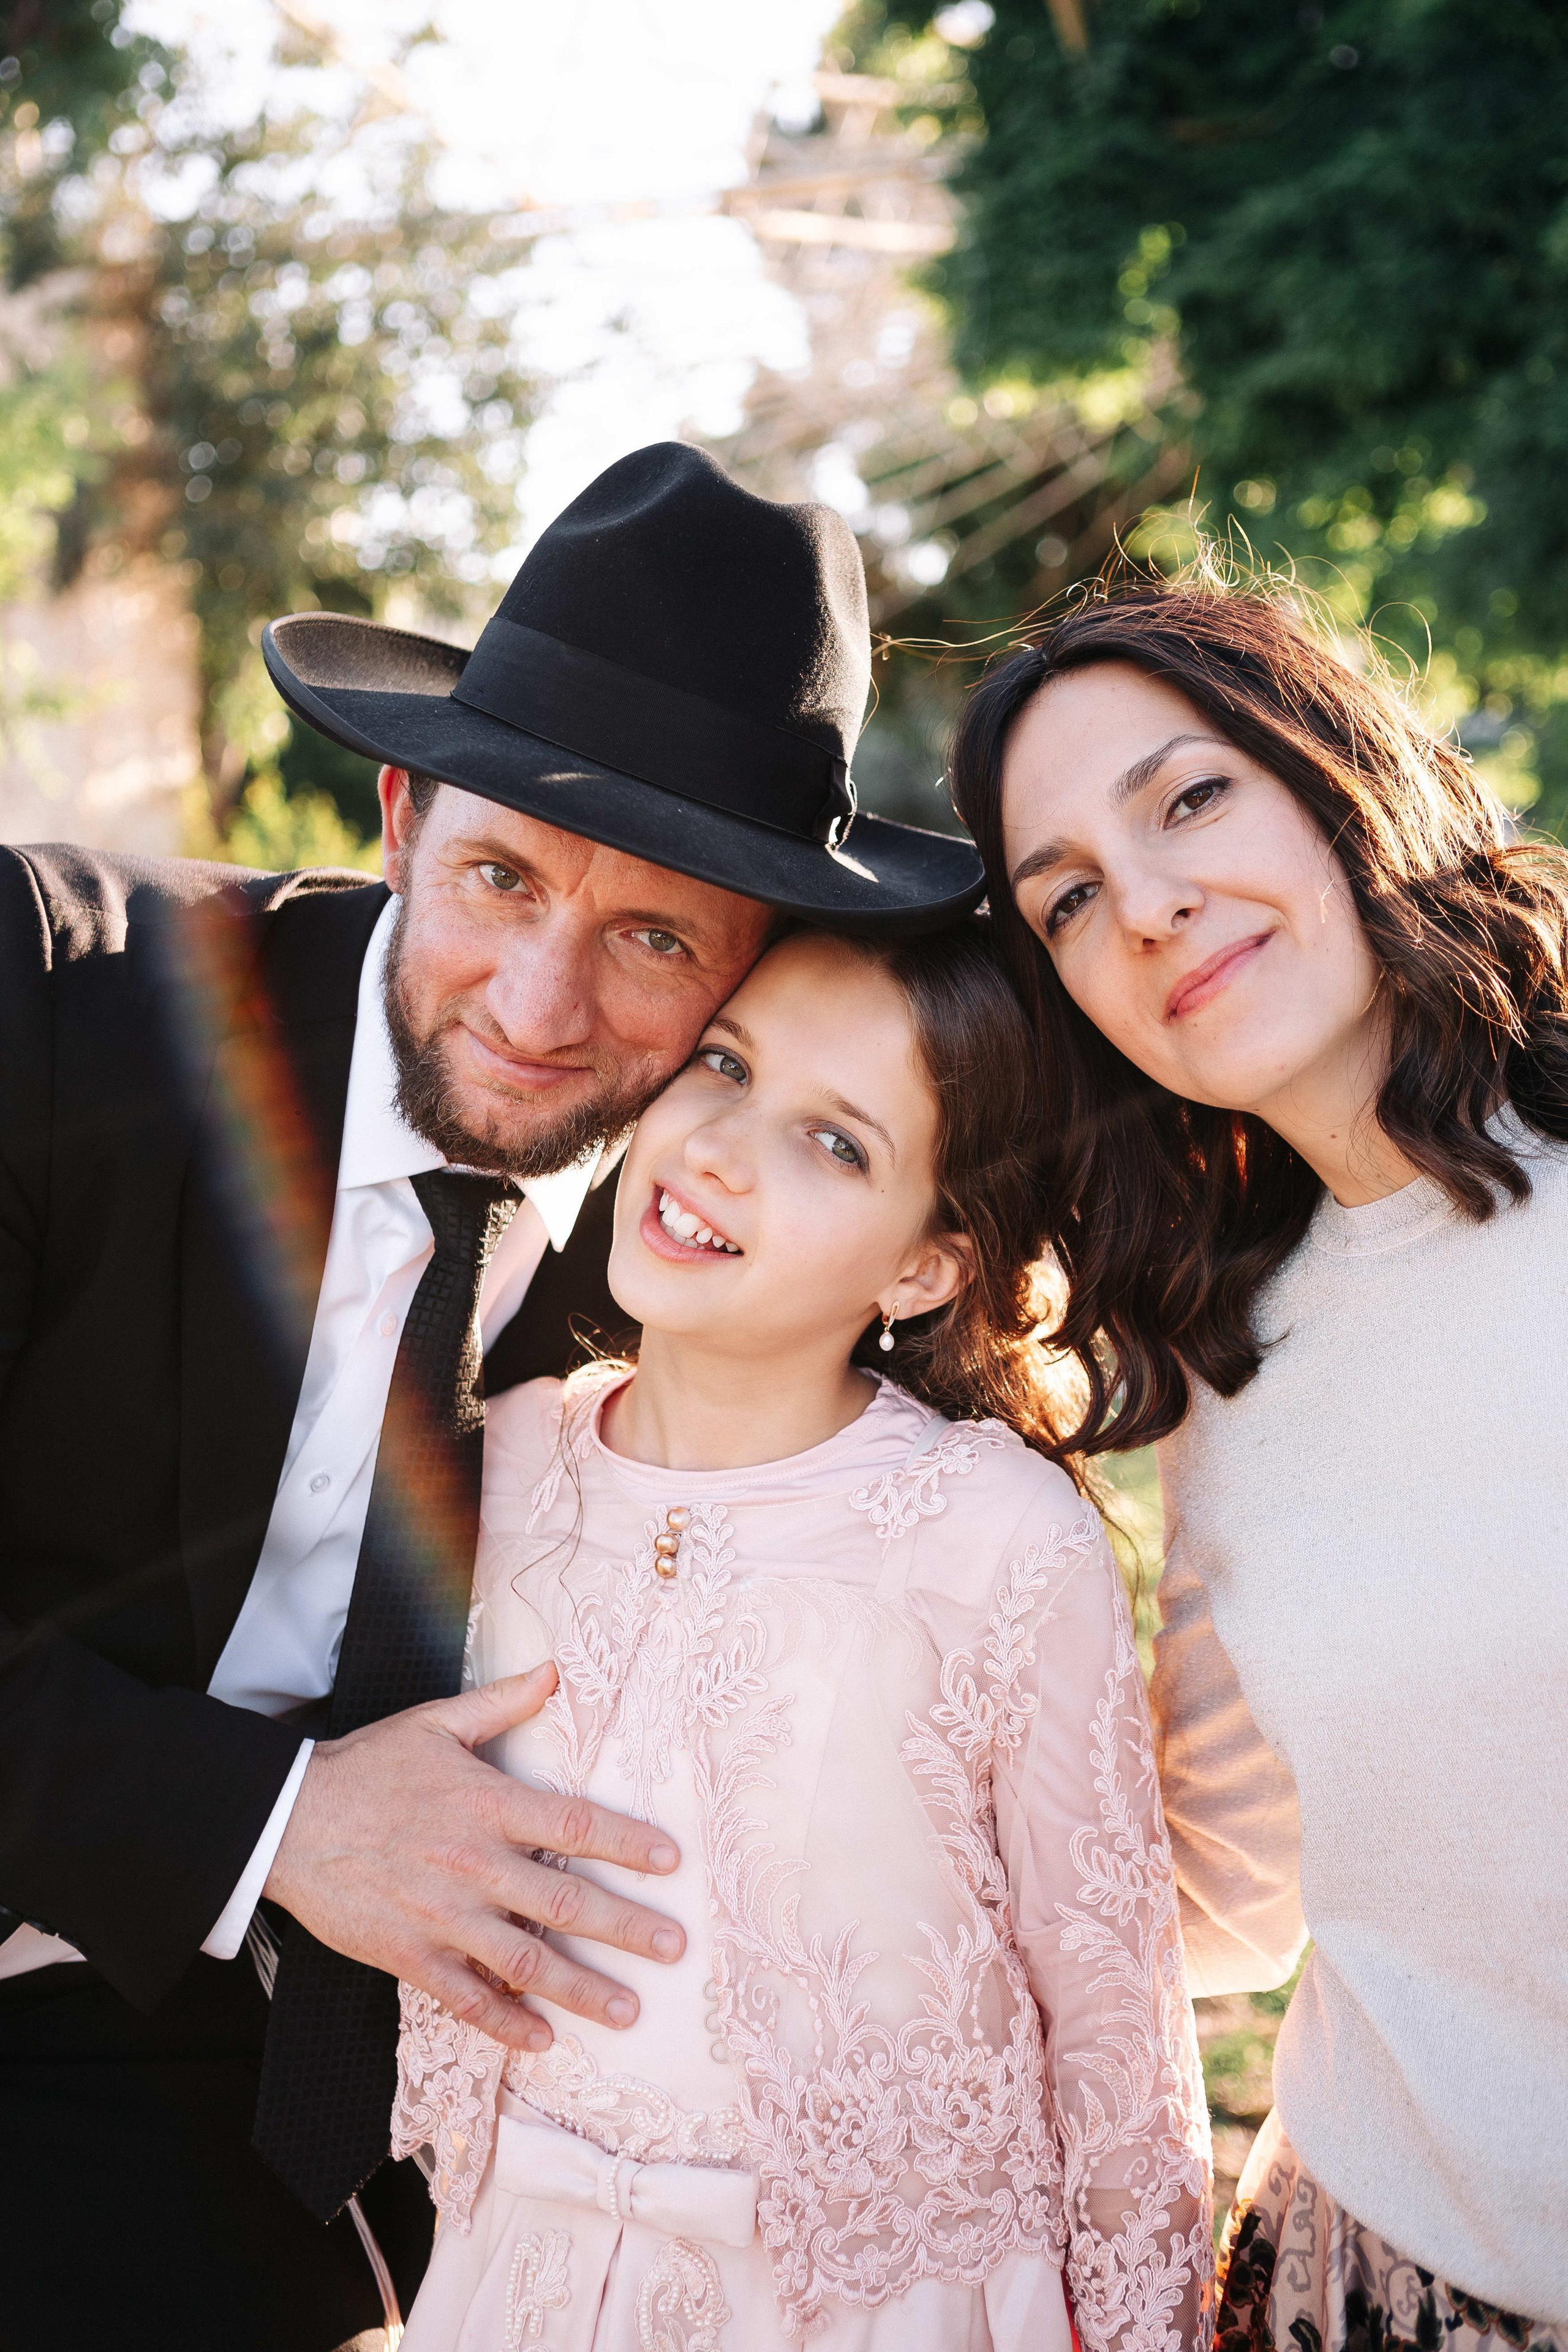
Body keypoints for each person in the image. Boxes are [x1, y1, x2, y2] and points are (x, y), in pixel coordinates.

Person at [0, 440, 983, 2352]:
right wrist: (280, 1828)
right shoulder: (41, 998)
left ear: (753, 966)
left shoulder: (731, 1255)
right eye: (501, 878)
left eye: (650, 939)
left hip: (255, 2111)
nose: (538, 1006)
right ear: (397, 811)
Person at [385, 919, 1213, 2352]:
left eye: (835, 1144)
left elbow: (1112, 2032)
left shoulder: (993, 1540)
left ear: (924, 1270)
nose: (715, 1147)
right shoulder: (491, 1460)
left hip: (868, 2309)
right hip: (508, 2278)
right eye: (722, 1063)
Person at [948, 577, 1568, 2352]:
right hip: (1384, 2288)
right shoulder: (1239, 1368)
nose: (1143, 908)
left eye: (1190, 798)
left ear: (1337, 773)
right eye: (1066, 896)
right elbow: (1219, 1894)